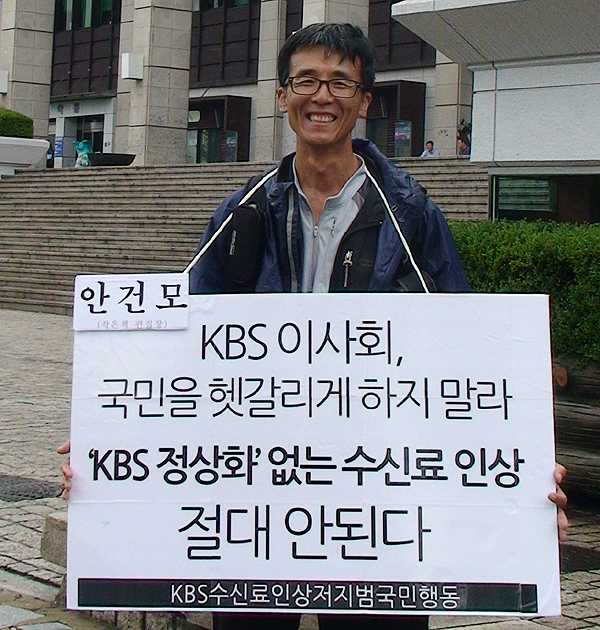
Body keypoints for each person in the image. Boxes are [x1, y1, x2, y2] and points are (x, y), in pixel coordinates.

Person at [59, 22, 568, 630]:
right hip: (255, 502)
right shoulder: (244, 212)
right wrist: (110, 437)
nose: (321, 97)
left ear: (365, 101)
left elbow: (467, 356)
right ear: (282, 96)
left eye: (340, 83)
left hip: (379, 500)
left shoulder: (411, 215)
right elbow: (180, 341)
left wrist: (524, 474)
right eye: (306, 81)